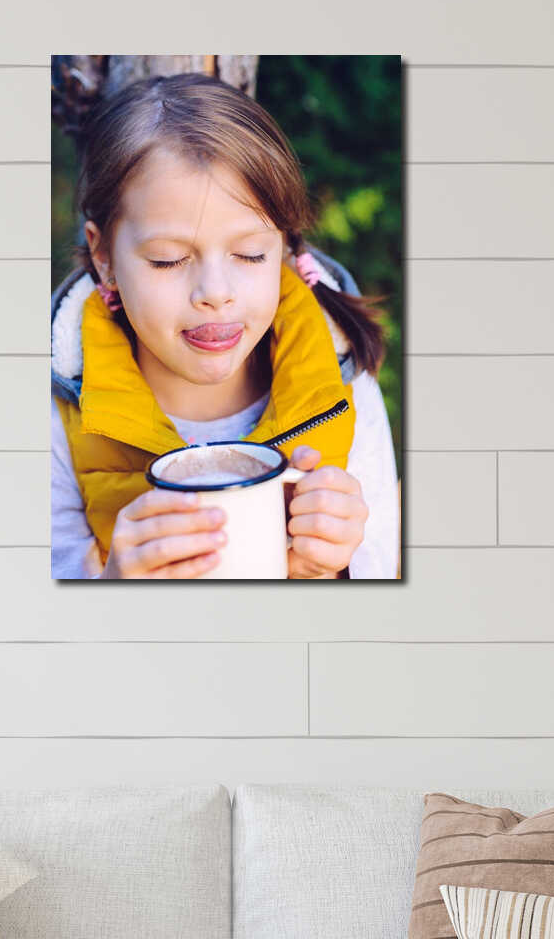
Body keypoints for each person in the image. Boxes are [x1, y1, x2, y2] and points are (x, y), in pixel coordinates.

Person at [50, 73, 399, 580]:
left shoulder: (343, 385)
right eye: (168, 261)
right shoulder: (57, 411)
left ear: (283, 246)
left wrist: (324, 573)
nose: (215, 291)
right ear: (104, 258)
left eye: (250, 254)